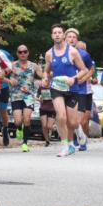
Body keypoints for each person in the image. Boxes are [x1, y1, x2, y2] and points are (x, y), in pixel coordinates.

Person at [43, 24, 91, 157]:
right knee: (61, 116)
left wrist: (74, 78)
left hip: (72, 89)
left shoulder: (72, 52)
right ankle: (64, 145)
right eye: (55, 33)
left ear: (63, 35)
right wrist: (45, 78)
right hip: (57, 88)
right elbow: (46, 71)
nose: (57, 34)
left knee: (72, 122)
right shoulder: (49, 54)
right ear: (52, 36)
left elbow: (84, 70)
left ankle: (77, 132)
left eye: (59, 32)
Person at [8, 45, 43, 152]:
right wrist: (9, 80)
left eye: (25, 52)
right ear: (17, 53)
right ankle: (19, 128)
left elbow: (43, 76)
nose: (23, 54)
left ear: (28, 53)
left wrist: (49, 75)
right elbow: (1, 75)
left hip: (28, 96)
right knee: (18, 121)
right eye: (20, 52)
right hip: (16, 95)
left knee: (27, 119)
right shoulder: (12, 65)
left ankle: (25, 143)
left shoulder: (34, 66)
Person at [65, 29, 95, 151]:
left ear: (77, 40)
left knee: (78, 120)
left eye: (74, 37)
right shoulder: (59, 53)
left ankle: (80, 137)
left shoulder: (83, 54)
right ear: (64, 38)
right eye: (69, 37)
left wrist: (85, 78)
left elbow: (91, 69)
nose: (71, 39)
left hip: (81, 91)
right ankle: (71, 142)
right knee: (67, 119)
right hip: (65, 90)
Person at [38, 67, 56, 147]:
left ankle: (55, 129)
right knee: (44, 125)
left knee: (49, 126)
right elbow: (37, 96)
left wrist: (54, 99)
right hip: (43, 108)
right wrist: (39, 99)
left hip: (52, 109)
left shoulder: (53, 87)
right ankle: (47, 140)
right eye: (45, 79)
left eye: (47, 79)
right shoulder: (41, 87)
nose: (46, 81)